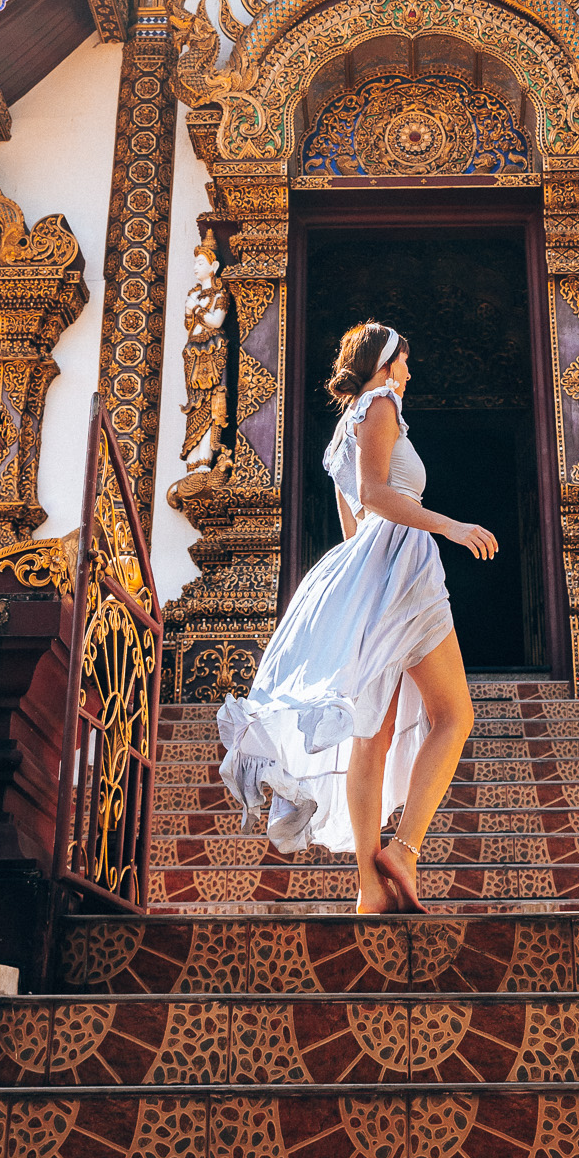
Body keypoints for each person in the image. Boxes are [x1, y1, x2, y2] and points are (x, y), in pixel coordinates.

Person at [217, 319, 498, 912]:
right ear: (388, 362)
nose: (410, 372)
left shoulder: (348, 422)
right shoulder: (381, 404)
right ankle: (403, 851)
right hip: (404, 565)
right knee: (453, 715)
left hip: (376, 565)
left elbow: (352, 524)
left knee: (374, 728)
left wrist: (362, 587)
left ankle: (372, 886)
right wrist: (451, 527)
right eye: (405, 360)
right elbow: (374, 493)